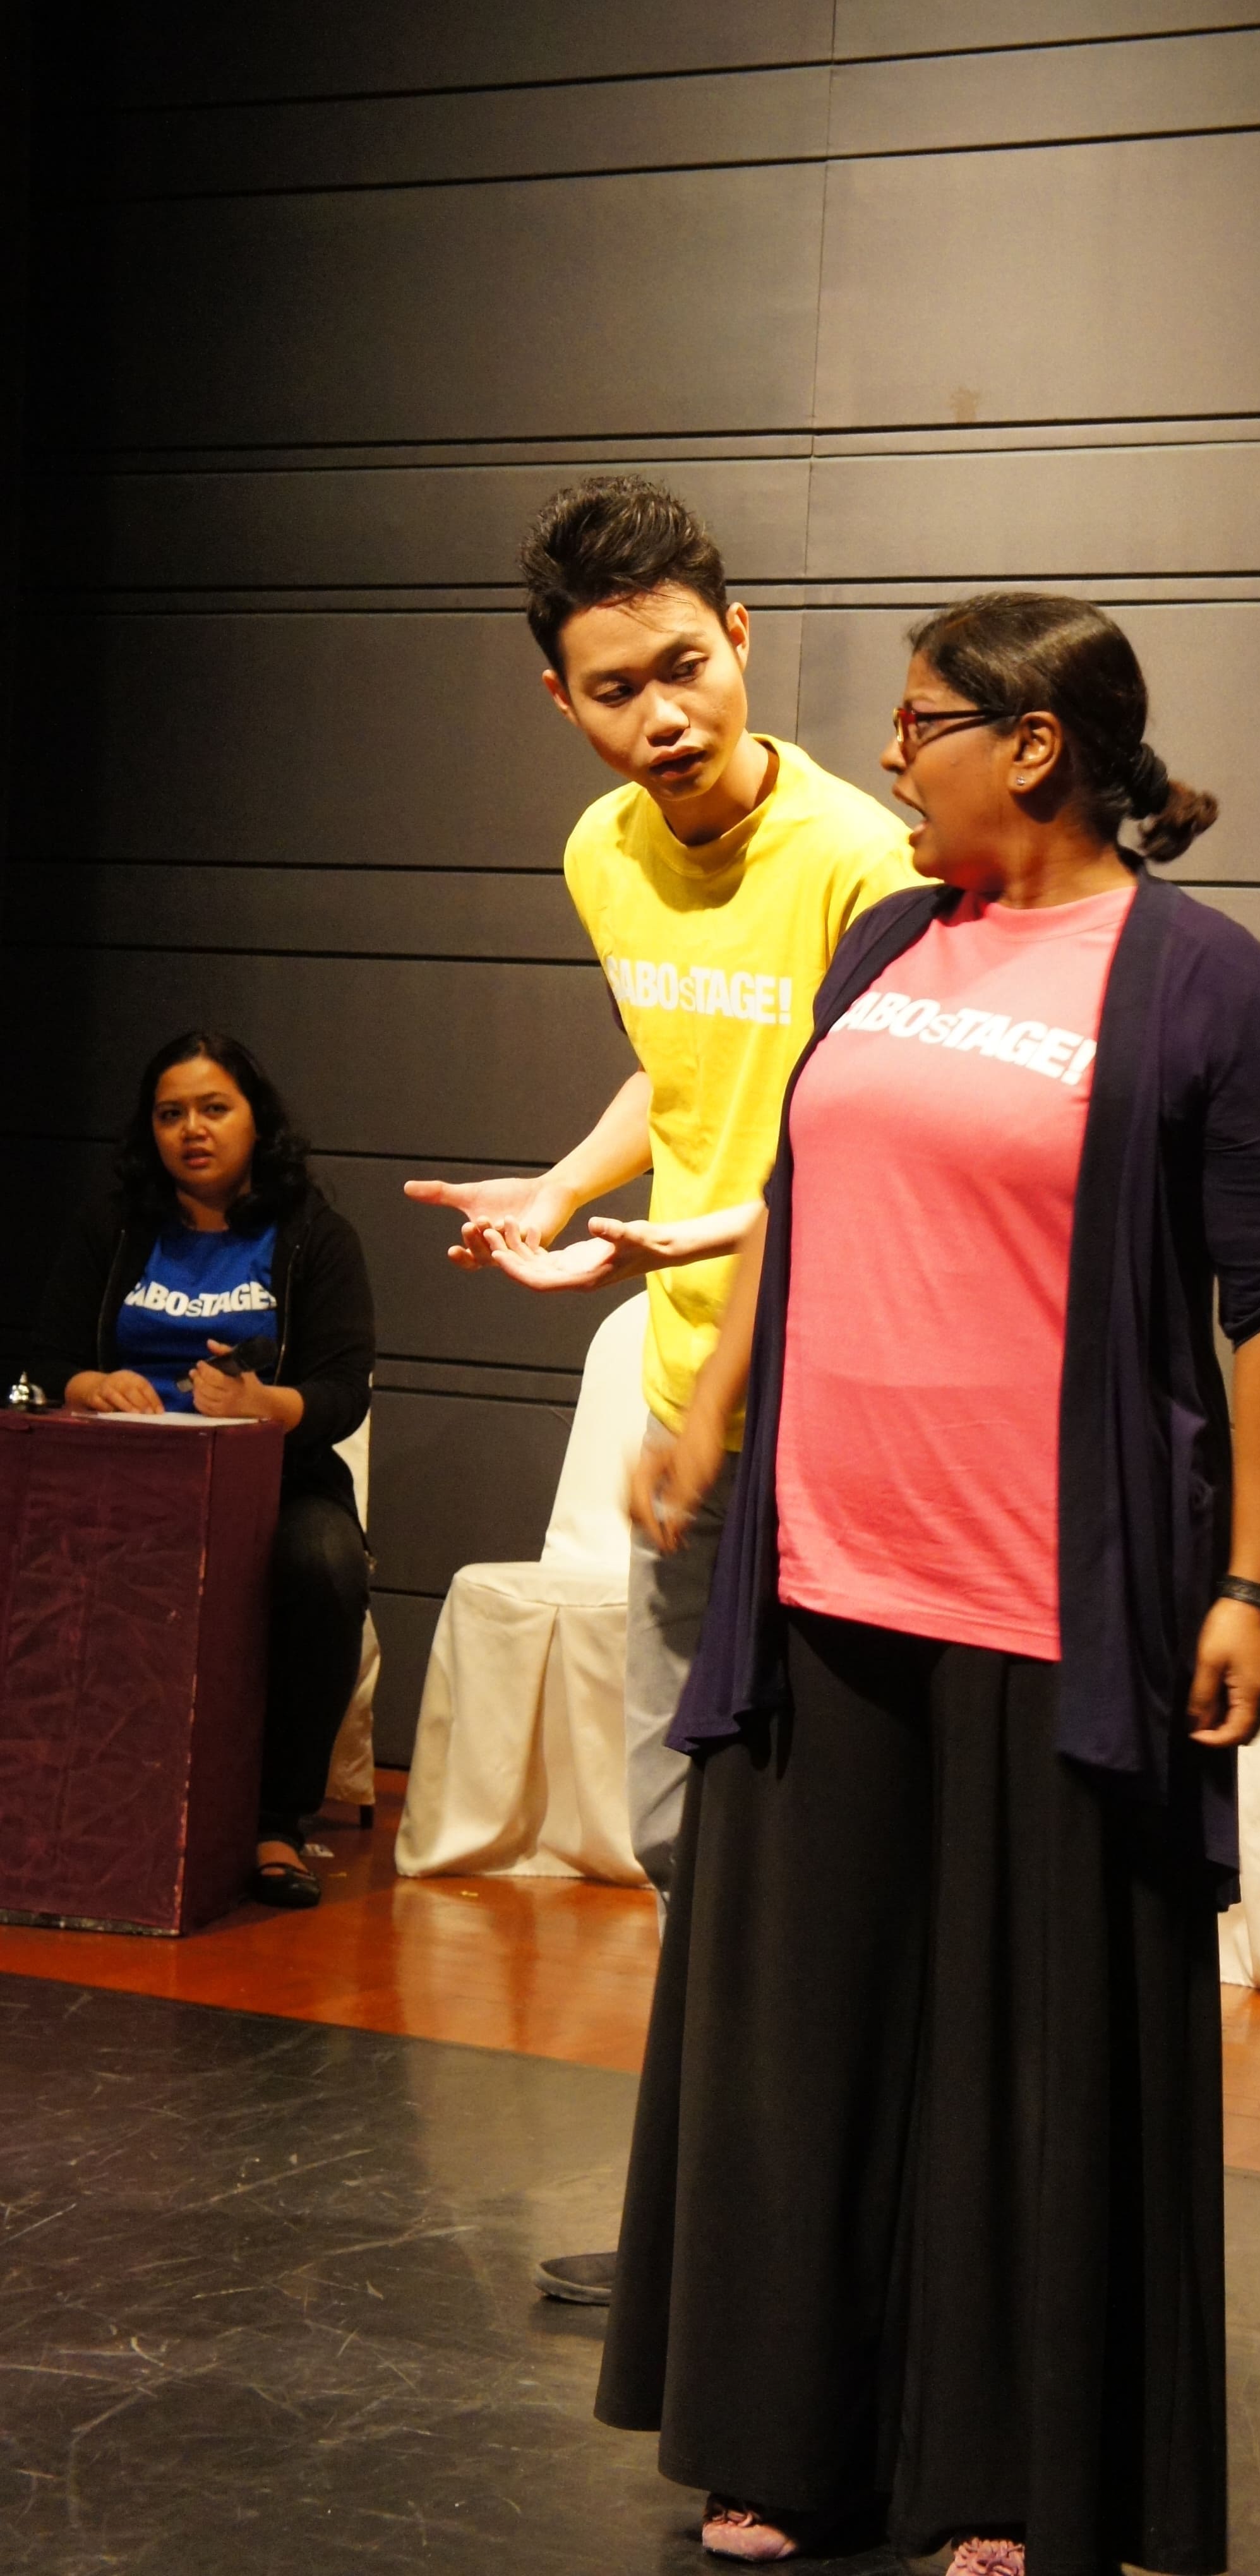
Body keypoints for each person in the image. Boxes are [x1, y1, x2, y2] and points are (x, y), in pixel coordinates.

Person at [596, 594, 1260, 2576]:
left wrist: (1252, 1583)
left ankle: (1004, 2476)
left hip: (1050, 1599)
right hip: (832, 1568)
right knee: (810, 2032)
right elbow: (800, 1200)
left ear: (1032, 747)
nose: (890, 754)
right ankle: (791, 2438)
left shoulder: (1202, 982)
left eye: (921, 722)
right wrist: (712, 1420)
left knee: (1022, 2055)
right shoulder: (886, 941)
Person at [405, 474, 917, 2303]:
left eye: (687, 667)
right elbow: (681, 1072)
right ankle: (729, 2230)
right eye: (618, 691)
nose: (666, 717)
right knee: (683, 1829)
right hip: (694, 1398)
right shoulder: (599, 850)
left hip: (844, 1413)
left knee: (833, 1852)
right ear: (565, 700)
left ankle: (847, 2243)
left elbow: (861, 1162)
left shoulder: (866, 860)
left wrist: (691, 1343)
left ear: (743, 639)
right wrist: (564, 1191)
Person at [34, 1031, 375, 1912]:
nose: (193, 1129)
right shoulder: (112, 1231)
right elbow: (48, 1362)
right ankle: (70, 1798)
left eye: (215, 1109)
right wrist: (91, 1382)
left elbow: (342, 1392)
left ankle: (276, 1820)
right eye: (171, 1113)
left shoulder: (315, 1238)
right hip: (126, 1479)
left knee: (326, 1565)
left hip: (276, 1480)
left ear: (257, 1122)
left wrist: (268, 1406)